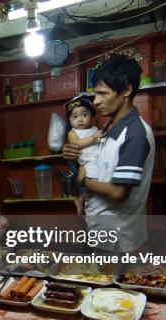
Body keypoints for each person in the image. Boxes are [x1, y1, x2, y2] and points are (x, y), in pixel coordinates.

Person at [63, 55, 155, 252]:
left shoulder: (135, 133)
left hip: (118, 240)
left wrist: (83, 181)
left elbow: (118, 193)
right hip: (99, 230)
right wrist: (75, 155)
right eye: (95, 94)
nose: (96, 101)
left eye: (103, 94)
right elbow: (100, 169)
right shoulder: (109, 126)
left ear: (127, 90)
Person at [64, 94, 102, 215]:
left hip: (100, 159)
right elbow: (76, 144)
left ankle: (81, 200)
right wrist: (93, 138)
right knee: (94, 181)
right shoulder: (72, 133)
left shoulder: (95, 129)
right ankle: (81, 200)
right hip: (87, 162)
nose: (80, 119)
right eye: (75, 117)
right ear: (69, 120)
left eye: (84, 115)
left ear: (91, 116)